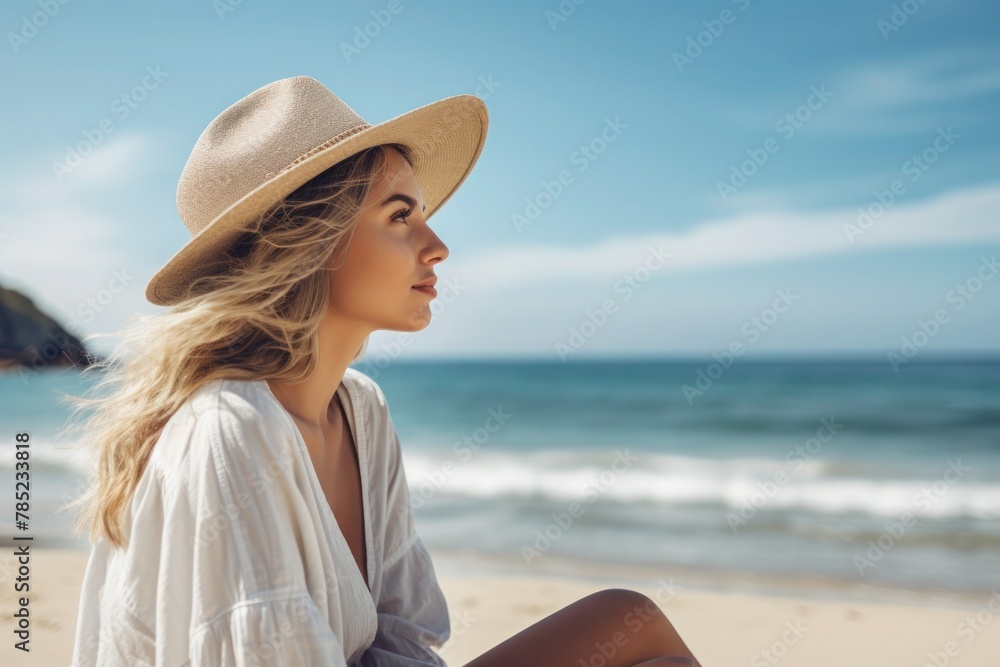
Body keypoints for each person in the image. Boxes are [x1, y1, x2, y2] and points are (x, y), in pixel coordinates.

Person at [61, 76, 701, 666]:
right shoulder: (230, 429)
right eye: (401, 216)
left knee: (630, 617)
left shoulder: (360, 410)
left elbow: (401, 640)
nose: (438, 246)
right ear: (311, 240)